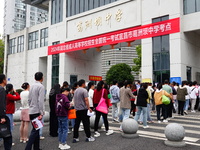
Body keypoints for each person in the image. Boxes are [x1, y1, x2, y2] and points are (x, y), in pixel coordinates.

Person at [25, 72, 45, 150]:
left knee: (36, 129)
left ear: (34, 78)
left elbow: (29, 99)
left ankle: (36, 148)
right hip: (37, 111)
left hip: (31, 110)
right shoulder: (41, 86)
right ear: (42, 78)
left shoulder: (32, 86)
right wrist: (41, 112)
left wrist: (31, 106)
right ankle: (28, 148)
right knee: (35, 130)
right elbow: (40, 101)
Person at [0, 74, 12, 150]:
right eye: (6, 79)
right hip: (1, 116)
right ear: (3, 80)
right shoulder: (1, 90)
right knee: (7, 136)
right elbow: (1, 104)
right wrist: (2, 116)